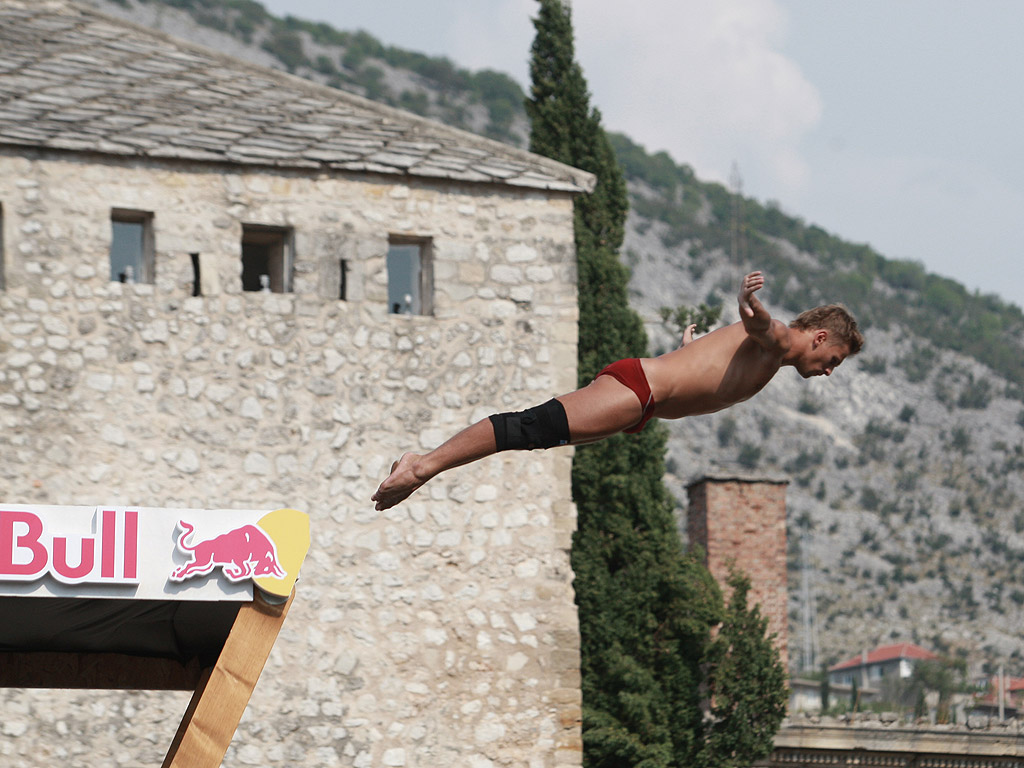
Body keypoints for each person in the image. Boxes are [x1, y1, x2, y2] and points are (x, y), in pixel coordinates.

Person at [371, 271, 863, 511]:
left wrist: (686, 353)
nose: (828, 371)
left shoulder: (768, 358)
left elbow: (712, 367)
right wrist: (747, 302)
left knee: (538, 433)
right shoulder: (777, 339)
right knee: (531, 428)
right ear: (820, 337)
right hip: (638, 391)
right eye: (833, 360)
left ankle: (424, 463)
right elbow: (762, 326)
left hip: (641, 401)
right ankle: (422, 465)